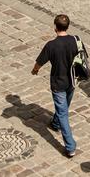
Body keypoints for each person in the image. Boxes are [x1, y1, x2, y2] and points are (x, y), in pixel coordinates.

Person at [32, 13, 80, 158]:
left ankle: (70, 146)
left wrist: (35, 70)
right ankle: (56, 123)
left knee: (63, 113)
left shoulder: (51, 45)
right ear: (68, 26)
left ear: (55, 27)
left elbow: (40, 62)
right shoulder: (75, 40)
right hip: (72, 80)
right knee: (63, 108)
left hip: (58, 83)